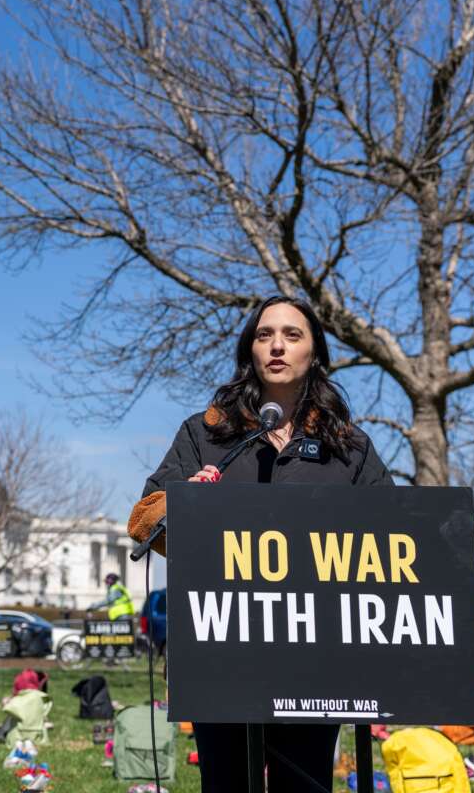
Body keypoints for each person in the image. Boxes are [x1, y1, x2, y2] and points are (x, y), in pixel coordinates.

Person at [126, 295, 393, 793]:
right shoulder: (206, 432)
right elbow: (145, 520)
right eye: (264, 334)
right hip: (222, 650)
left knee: (306, 783)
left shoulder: (348, 444)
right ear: (249, 349)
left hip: (317, 652)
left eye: (293, 335)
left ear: (314, 353)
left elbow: (394, 532)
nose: (277, 345)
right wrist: (187, 504)